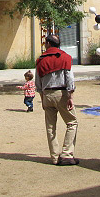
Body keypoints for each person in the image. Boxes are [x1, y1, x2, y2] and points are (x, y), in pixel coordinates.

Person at [35, 34, 78, 166]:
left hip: (47, 94)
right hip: (61, 93)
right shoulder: (65, 57)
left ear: (48, 43)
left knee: (50, 127)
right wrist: (70, 96)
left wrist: (42, 98)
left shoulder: (40, 60)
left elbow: (38, 82)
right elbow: (69, 78)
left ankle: (54, 157)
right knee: (72, 122)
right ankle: (67, 154)